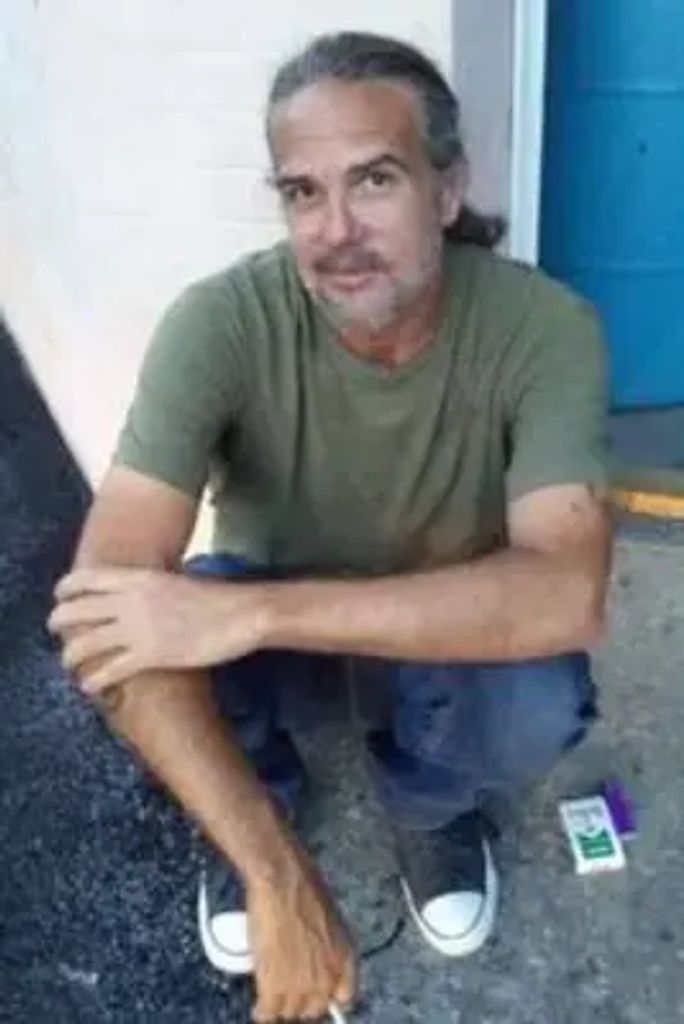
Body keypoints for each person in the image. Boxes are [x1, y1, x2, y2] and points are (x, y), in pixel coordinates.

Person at [48, 31, 612, 1024]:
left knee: (538, 694)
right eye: (303, 192)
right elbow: (99, 612)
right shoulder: (221, 322)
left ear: (447, 190)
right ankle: (254, 810)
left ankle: (429, 811)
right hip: (285, 653)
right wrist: (274, 869)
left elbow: (568, 593)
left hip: (435, 642)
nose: (335, 231)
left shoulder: (545, 326)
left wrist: (254, 612)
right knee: (144, 629)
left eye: (374, 181)